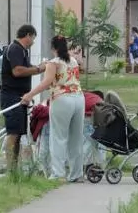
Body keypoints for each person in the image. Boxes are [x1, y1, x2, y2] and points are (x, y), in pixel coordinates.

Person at [22, 35, 86, 182]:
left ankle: (58, 173)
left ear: (53, 48)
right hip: (78, 98)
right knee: (76, 137)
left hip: (61, 99)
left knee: (58, 137)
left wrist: (29, 95)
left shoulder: (53, 63)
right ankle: (76, 174)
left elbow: (46, 83)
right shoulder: (73, 61)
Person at [1, 24, 46, 171]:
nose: (33, 41)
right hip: (11, 97)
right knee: (13, 133)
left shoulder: (22, 51)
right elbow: (18, 71)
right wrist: (39, 69)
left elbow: (25, 67)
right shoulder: (15, 49)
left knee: (19, 134)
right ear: (28, 35)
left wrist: (37, 67)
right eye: (33, 38)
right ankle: (10, 168)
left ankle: (15, 167)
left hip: (20, 97)